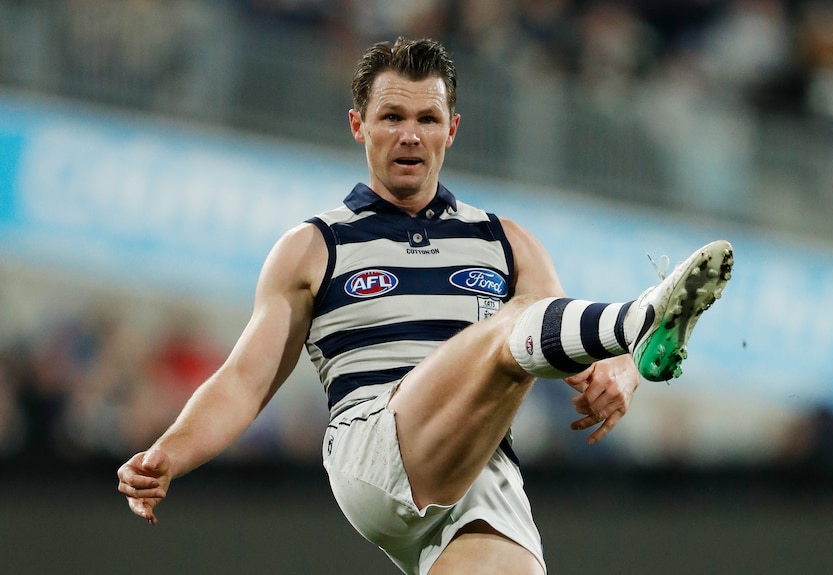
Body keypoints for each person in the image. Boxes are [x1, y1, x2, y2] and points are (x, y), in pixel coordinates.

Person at [117, 37, 733, 574]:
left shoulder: (504, 240)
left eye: (426, 118)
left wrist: (624, 373)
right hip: (373, 448)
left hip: (481, 471)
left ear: (452, 129)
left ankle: (644, 324)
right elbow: (244, 383)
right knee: (510, 327)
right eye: (390, 116)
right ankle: (643, 313)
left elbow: (575, 353)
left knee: (525, 330)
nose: (409, 133)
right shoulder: (314, 246)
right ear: (358, 125)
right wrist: (169, 452)